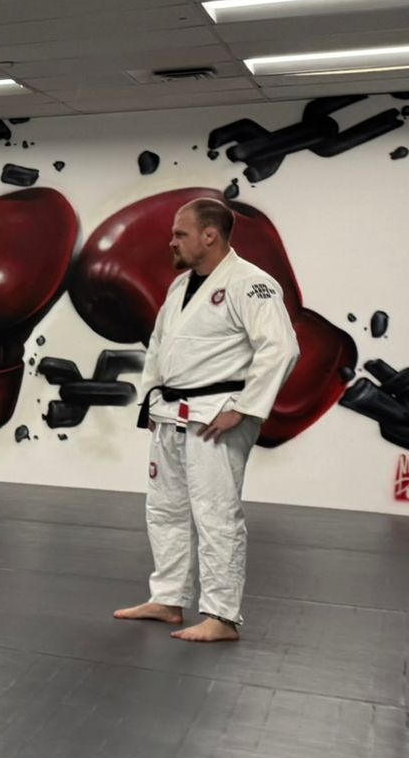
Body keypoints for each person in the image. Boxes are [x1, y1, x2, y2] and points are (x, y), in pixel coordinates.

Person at [116, 197, 299, 643]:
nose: (172, 241)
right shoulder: (180, 286)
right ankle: (168, 599)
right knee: (165, 509)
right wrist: (150, 403)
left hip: (217, 416)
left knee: (216, 515)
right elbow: (158, 347)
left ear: (209, 235)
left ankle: (221, 615)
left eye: (180, 233)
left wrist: (244, 408)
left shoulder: (251, 283)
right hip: (171, 413)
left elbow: (281, 348)